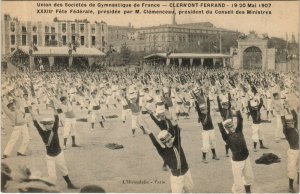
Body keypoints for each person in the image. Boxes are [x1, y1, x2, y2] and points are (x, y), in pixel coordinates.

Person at [30, 99, 78, 189]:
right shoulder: (42, 133)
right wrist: (32, 114)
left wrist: (53, 108)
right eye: (48, 124)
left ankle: (69, 184)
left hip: (59, 154)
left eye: (51, 124)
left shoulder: (54, 130)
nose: (50, 125)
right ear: (44, 125)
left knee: (64, 170)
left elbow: (56, 118)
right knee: (52, 176)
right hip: (49, 157)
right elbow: (35, 124)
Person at [143, 109, 193, 193]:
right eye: (166, 142)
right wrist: (149, 133)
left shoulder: (177, 143)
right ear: (163, 143)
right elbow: (155, 144)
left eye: (170, 140)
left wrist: (171, 119)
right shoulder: (163, 151)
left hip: (186, 172)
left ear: (171, 138)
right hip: (176, 178)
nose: (169, 142)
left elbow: (177, 131)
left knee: (189, 189)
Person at [218, 109, 254, 193]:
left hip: (246, 158)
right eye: (229, 127)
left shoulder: (239, 131)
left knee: (249, 177)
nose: (232, 128)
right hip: (237, 162)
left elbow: (240, 120)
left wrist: (238, 110)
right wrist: (219, 122)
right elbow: (222, 130)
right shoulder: (226, 137)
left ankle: (248, 192)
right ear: (227, 129)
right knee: (238, 182)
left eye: (232, 125)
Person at [2, 88, 30, 159]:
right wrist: (4, 98)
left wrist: (11, 94)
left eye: (13, 105)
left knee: (26, 139)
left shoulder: (16, 108)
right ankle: (6, 153)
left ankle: (21, 152)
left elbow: (17, 100)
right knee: (13, 140)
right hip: (17, 127)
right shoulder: (9, 112)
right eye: (11, 107)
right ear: (9, 108)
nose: (12, 107)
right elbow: (4, 106)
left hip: (24, 125)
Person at [194, 90, 219, 163]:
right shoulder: (200, 115)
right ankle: (203, 158)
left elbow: (208, 104)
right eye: (202, 109)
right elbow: (198, 108)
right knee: (206, 145)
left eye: (205, 109)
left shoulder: (208, 113)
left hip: (212, 130)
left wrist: (207, 97)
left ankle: (214, 155)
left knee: (213, 142)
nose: (204, 110)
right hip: (205, 131)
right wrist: (196, 101)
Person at [281, 108, 299, 193]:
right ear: (287, 124)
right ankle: (290, 186)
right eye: (289, 123)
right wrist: (282, 113)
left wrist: (291, 108)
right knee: (292, 168)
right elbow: (283, 123)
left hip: (299, 150)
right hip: (293, 151)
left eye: (292, 122)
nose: (291, 123)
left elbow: (295, 116)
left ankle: (299, 179)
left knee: (299, 166)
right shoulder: (286, 131)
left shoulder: (295, 127)